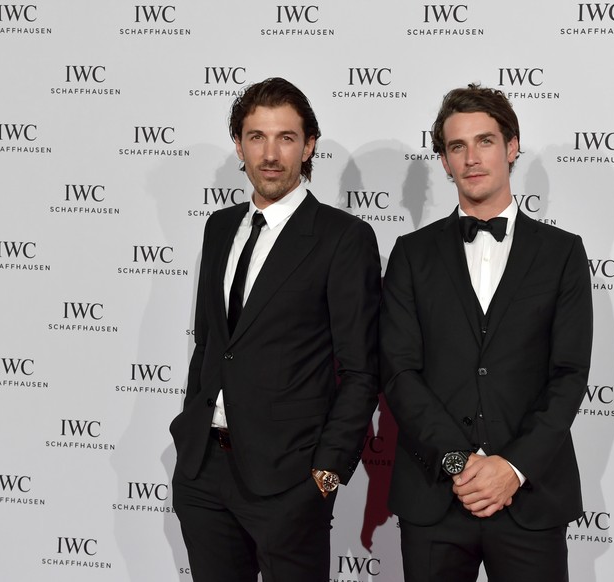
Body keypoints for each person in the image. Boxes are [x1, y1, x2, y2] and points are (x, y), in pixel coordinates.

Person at [170, 77, 381, 582]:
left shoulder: (342, 237)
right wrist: (189, 440)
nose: (270, 153)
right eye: (256, 136)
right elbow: (211, 345)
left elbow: (361, 371)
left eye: (285, 137)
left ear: (308, 146)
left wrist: (325, 477)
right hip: (204, 473)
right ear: (239, 145)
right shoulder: (219, 227)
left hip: (290, 482)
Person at [380, 83, 593, 581]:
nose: (472, 158)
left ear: (512, 146)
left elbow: (568, 374)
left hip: (529, 496)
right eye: (457, 146)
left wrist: (510, 469)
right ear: (445, 160)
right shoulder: (411, 255)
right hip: (436, 494)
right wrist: (459, 461)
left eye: (485, 141)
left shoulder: (562, 253)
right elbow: (398, 372)